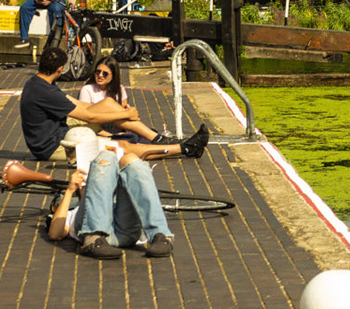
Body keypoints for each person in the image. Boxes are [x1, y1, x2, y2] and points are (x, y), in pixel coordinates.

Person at [18, 45, 208, 259]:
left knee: (129, 156)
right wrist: (70, 191)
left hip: (66, 134)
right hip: (56, 145)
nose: (99, 76)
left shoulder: (42, 85)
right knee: (115, 153)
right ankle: (180, 147)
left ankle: (159, 143)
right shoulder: (43, 90)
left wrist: (119, 114)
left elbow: (79, 106)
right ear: (60, 69)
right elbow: (88, 116)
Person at [78, 58, 166, 144]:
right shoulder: (87, 90)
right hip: (97, 131)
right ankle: (155, 138)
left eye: (105, 73)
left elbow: (125, 116)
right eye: (97, 72)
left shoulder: (119, 89)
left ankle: (156, 138)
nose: (100, 75)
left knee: (141, 137)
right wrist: (112, 135)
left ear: (113, 76)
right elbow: (87, 121)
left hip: (118, 129)